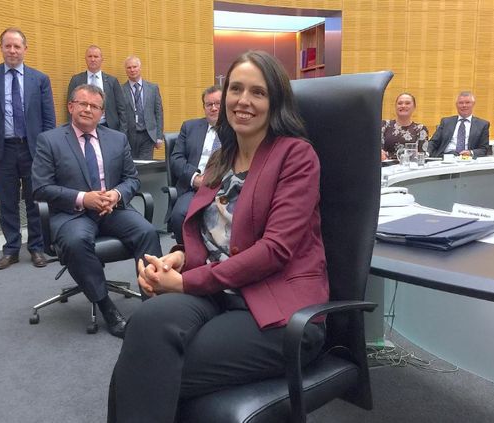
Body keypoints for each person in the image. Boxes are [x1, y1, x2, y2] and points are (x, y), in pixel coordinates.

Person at [108, 50, 329, 422]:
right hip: (221, 294)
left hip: (277, 310)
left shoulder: (296, 156)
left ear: (275, 102)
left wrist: (185, 282)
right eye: (236, 89)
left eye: (258, 93)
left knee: (145, 369)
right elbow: (210, 234)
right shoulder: (220, 158)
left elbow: (274, 251)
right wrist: (178, 257)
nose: (243, 100)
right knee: (145, 327)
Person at [31, 84, 162, 338]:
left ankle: (154, 304)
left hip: (112, 209)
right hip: (73, 213)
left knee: (147, 232)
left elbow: (132, 179)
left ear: (102, 113)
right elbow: (40, 188)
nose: (88, 110)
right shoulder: (50, 140)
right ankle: (107, 307)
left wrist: (117, 194)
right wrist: (83, 198)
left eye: (94, 106)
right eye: (82, 104)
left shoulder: (117, 138)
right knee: (77, 242)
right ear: (71, 107)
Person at [0, 27, 56, 270]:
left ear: (25, 49)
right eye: (7, 46)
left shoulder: (39, 79)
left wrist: (48, 149)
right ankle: (11, 249)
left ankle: (37, 247)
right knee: (7, 202)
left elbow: (48, 118)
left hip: (33, 150)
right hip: (2, 150)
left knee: (35, 200)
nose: (12, 50)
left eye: (17, 46)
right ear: (1, 48)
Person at [169, 85, 222, 244]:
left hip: (223, 187)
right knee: (178, 216)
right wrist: (195, 178)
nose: (214, 108)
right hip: (194, 188)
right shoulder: (189, 127)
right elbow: (176, 159)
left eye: (218, 103)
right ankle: (184, 256)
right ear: (204, 107)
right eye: (209, 104)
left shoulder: (236, 130)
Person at [67, 45, 127, 132]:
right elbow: (71, 106)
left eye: (96, 56)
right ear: (85, 59)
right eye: (90, 56)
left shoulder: (112, 81)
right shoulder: (76, 80)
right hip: (83, 126)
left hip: (108, 127)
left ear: (102, 59)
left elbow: (121, 109)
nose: (93, 59)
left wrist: (122, 132)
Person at [121, 55, 164, 159]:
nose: (132, 70)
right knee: (131, 166)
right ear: (126, 70)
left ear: (140, 68)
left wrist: (159, 136)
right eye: (129, 67)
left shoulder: (153, 88)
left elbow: (159, 113)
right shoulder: (120, 90)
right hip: (129, 136)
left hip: (147, 135)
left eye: (135, 67)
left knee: (145, 168)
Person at [427, 91, 490, 158]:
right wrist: (426, 153)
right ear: (456, 105)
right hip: (445, 158)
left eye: (467, 102)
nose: (464, 105)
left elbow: (484, 149)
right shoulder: (446, 122)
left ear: (473, 104)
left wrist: (470, 152)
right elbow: (433, 142)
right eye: (461, 103)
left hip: (468, 160)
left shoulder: (482, 125)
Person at [380, 92, 429, 160]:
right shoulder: (384, 125)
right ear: (395, 106)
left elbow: (422, 155)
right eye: (400, 103)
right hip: (385, 166)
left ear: (414, 107)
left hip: (409, 168)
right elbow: (377, 149)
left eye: (407, 103)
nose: (403, 106)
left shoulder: (421, 129)